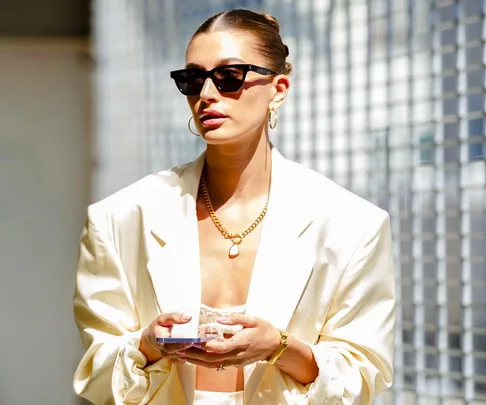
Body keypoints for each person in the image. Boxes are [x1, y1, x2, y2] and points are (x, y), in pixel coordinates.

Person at [73, 8, 396, 405]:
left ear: (278, 89)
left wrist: (277, 348)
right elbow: (95, 376)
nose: (207, 95)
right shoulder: (121, 217)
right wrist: (148, 345)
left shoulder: (351, 225)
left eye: (229, 77)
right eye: (193, 79)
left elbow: (364, 374)